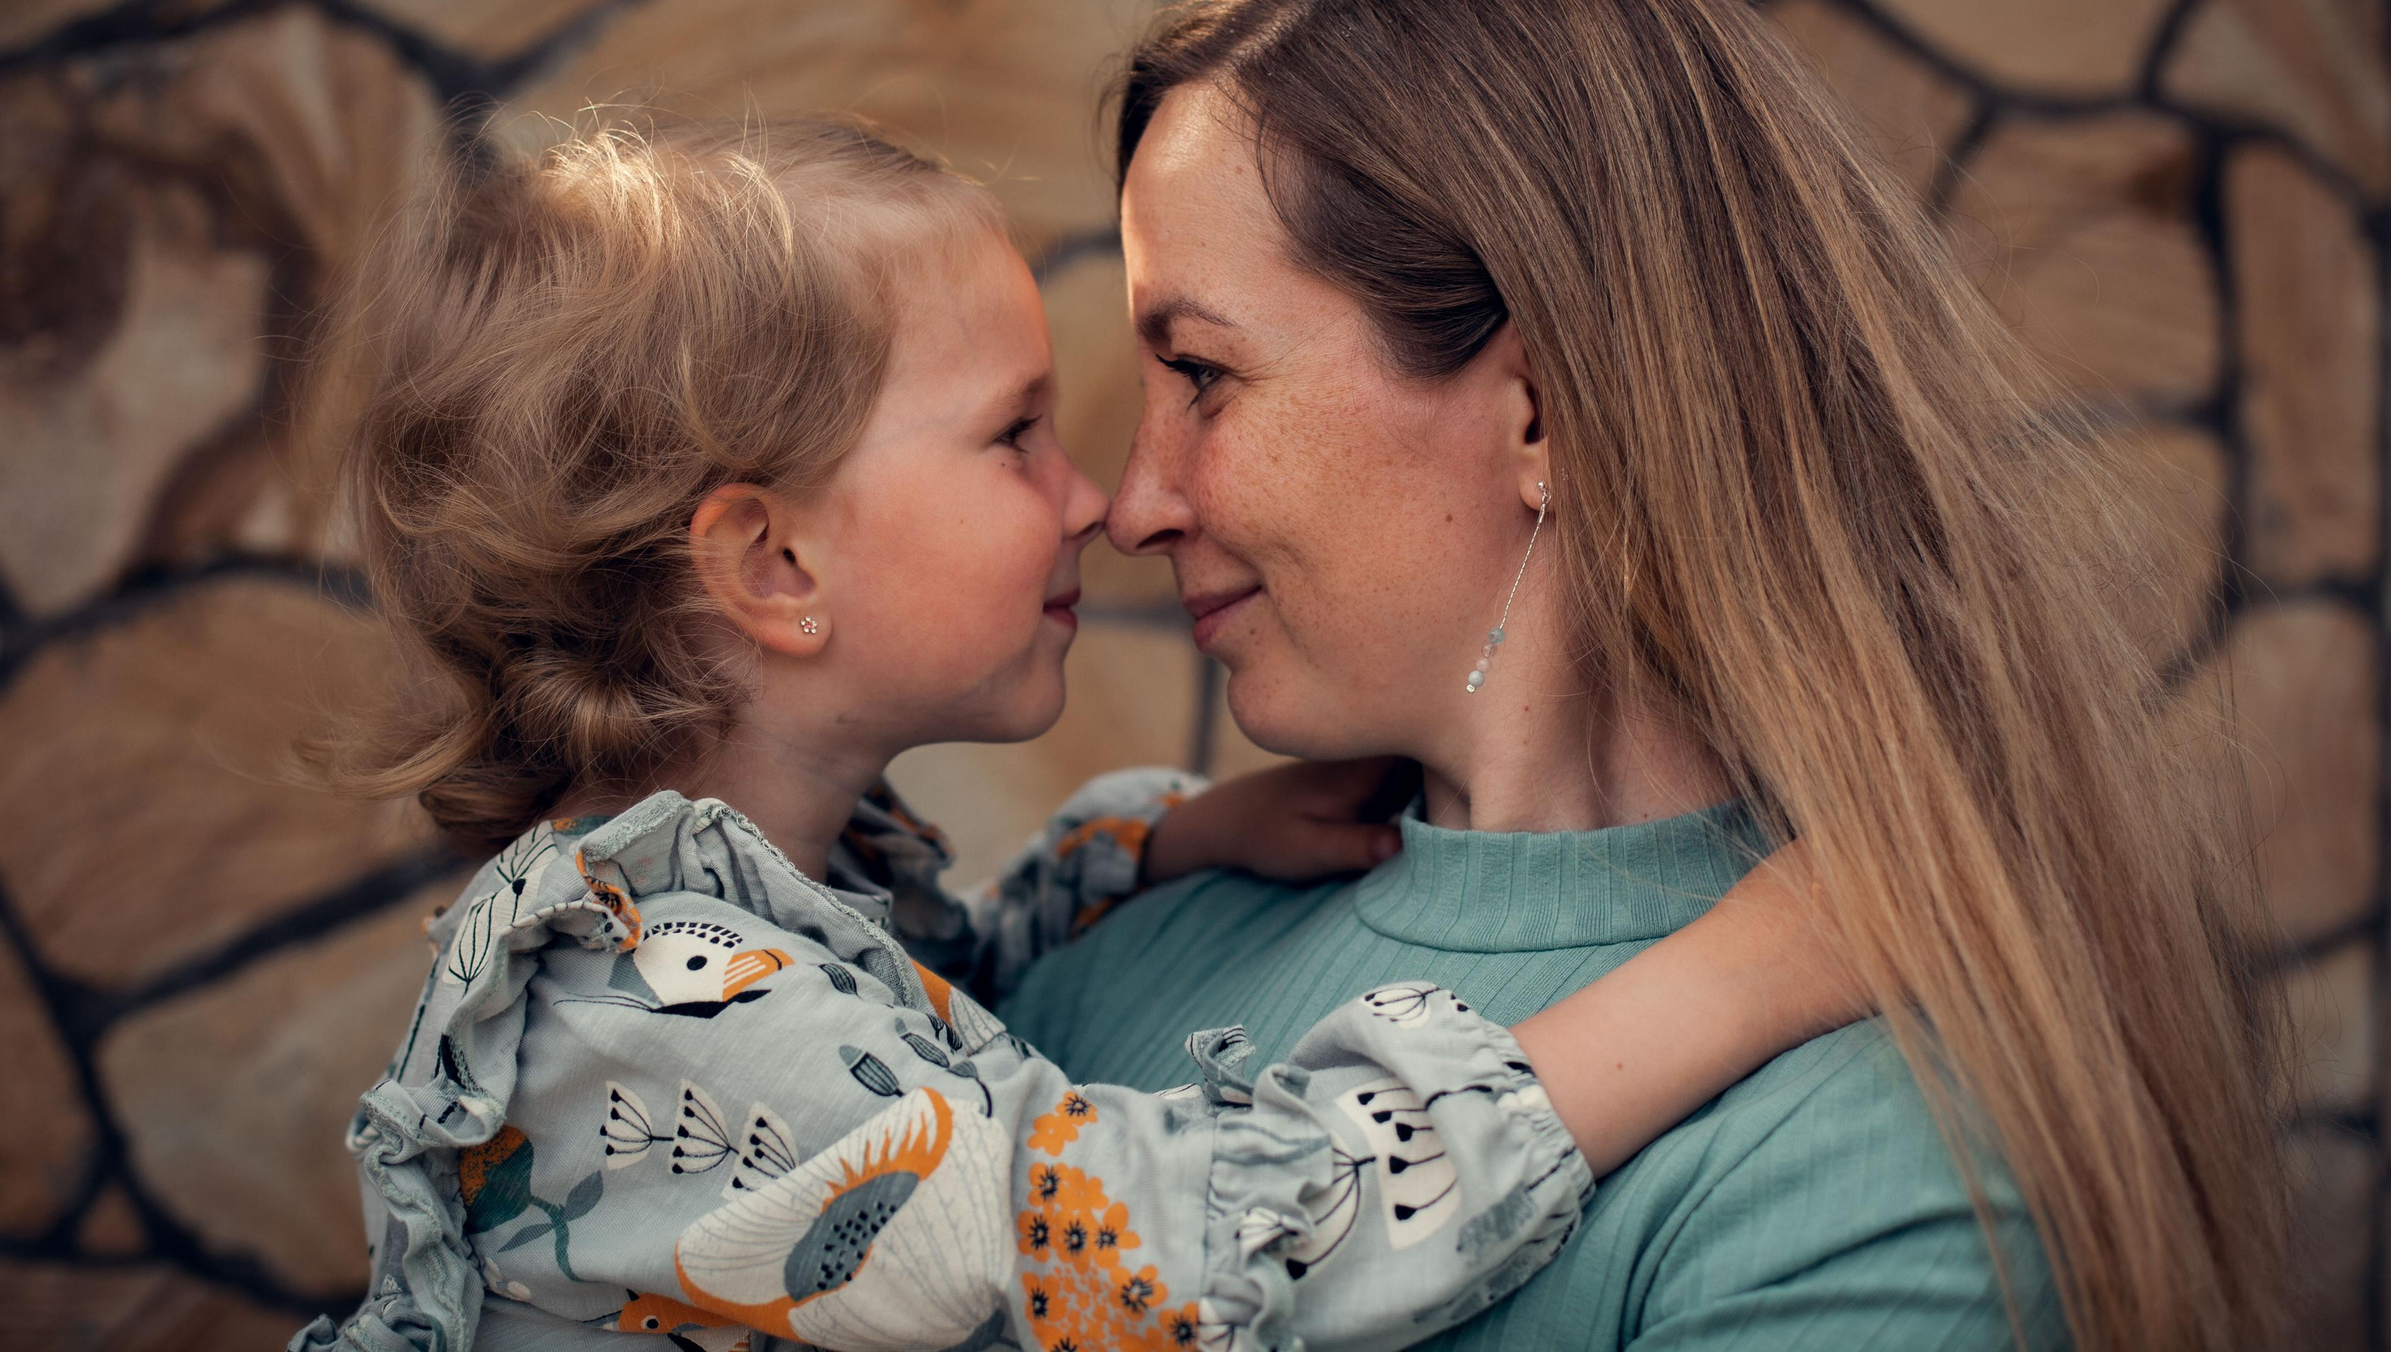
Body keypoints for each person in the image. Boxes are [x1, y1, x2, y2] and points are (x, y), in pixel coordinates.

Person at [294, 119, 1870, 1352]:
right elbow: (1157, 1261)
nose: (1100, 502)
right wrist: (1738, 980)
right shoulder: (643, 1015)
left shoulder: (747, 906)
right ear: (776, 568)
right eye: (1014, 436)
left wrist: (1169, 844)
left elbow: (937, 996)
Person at [1001, 0, 2287, 1352]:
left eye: (1200, 372)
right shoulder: (1096, 954)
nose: (1134, 504)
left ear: (1541, 409)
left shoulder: (1866, 1162)